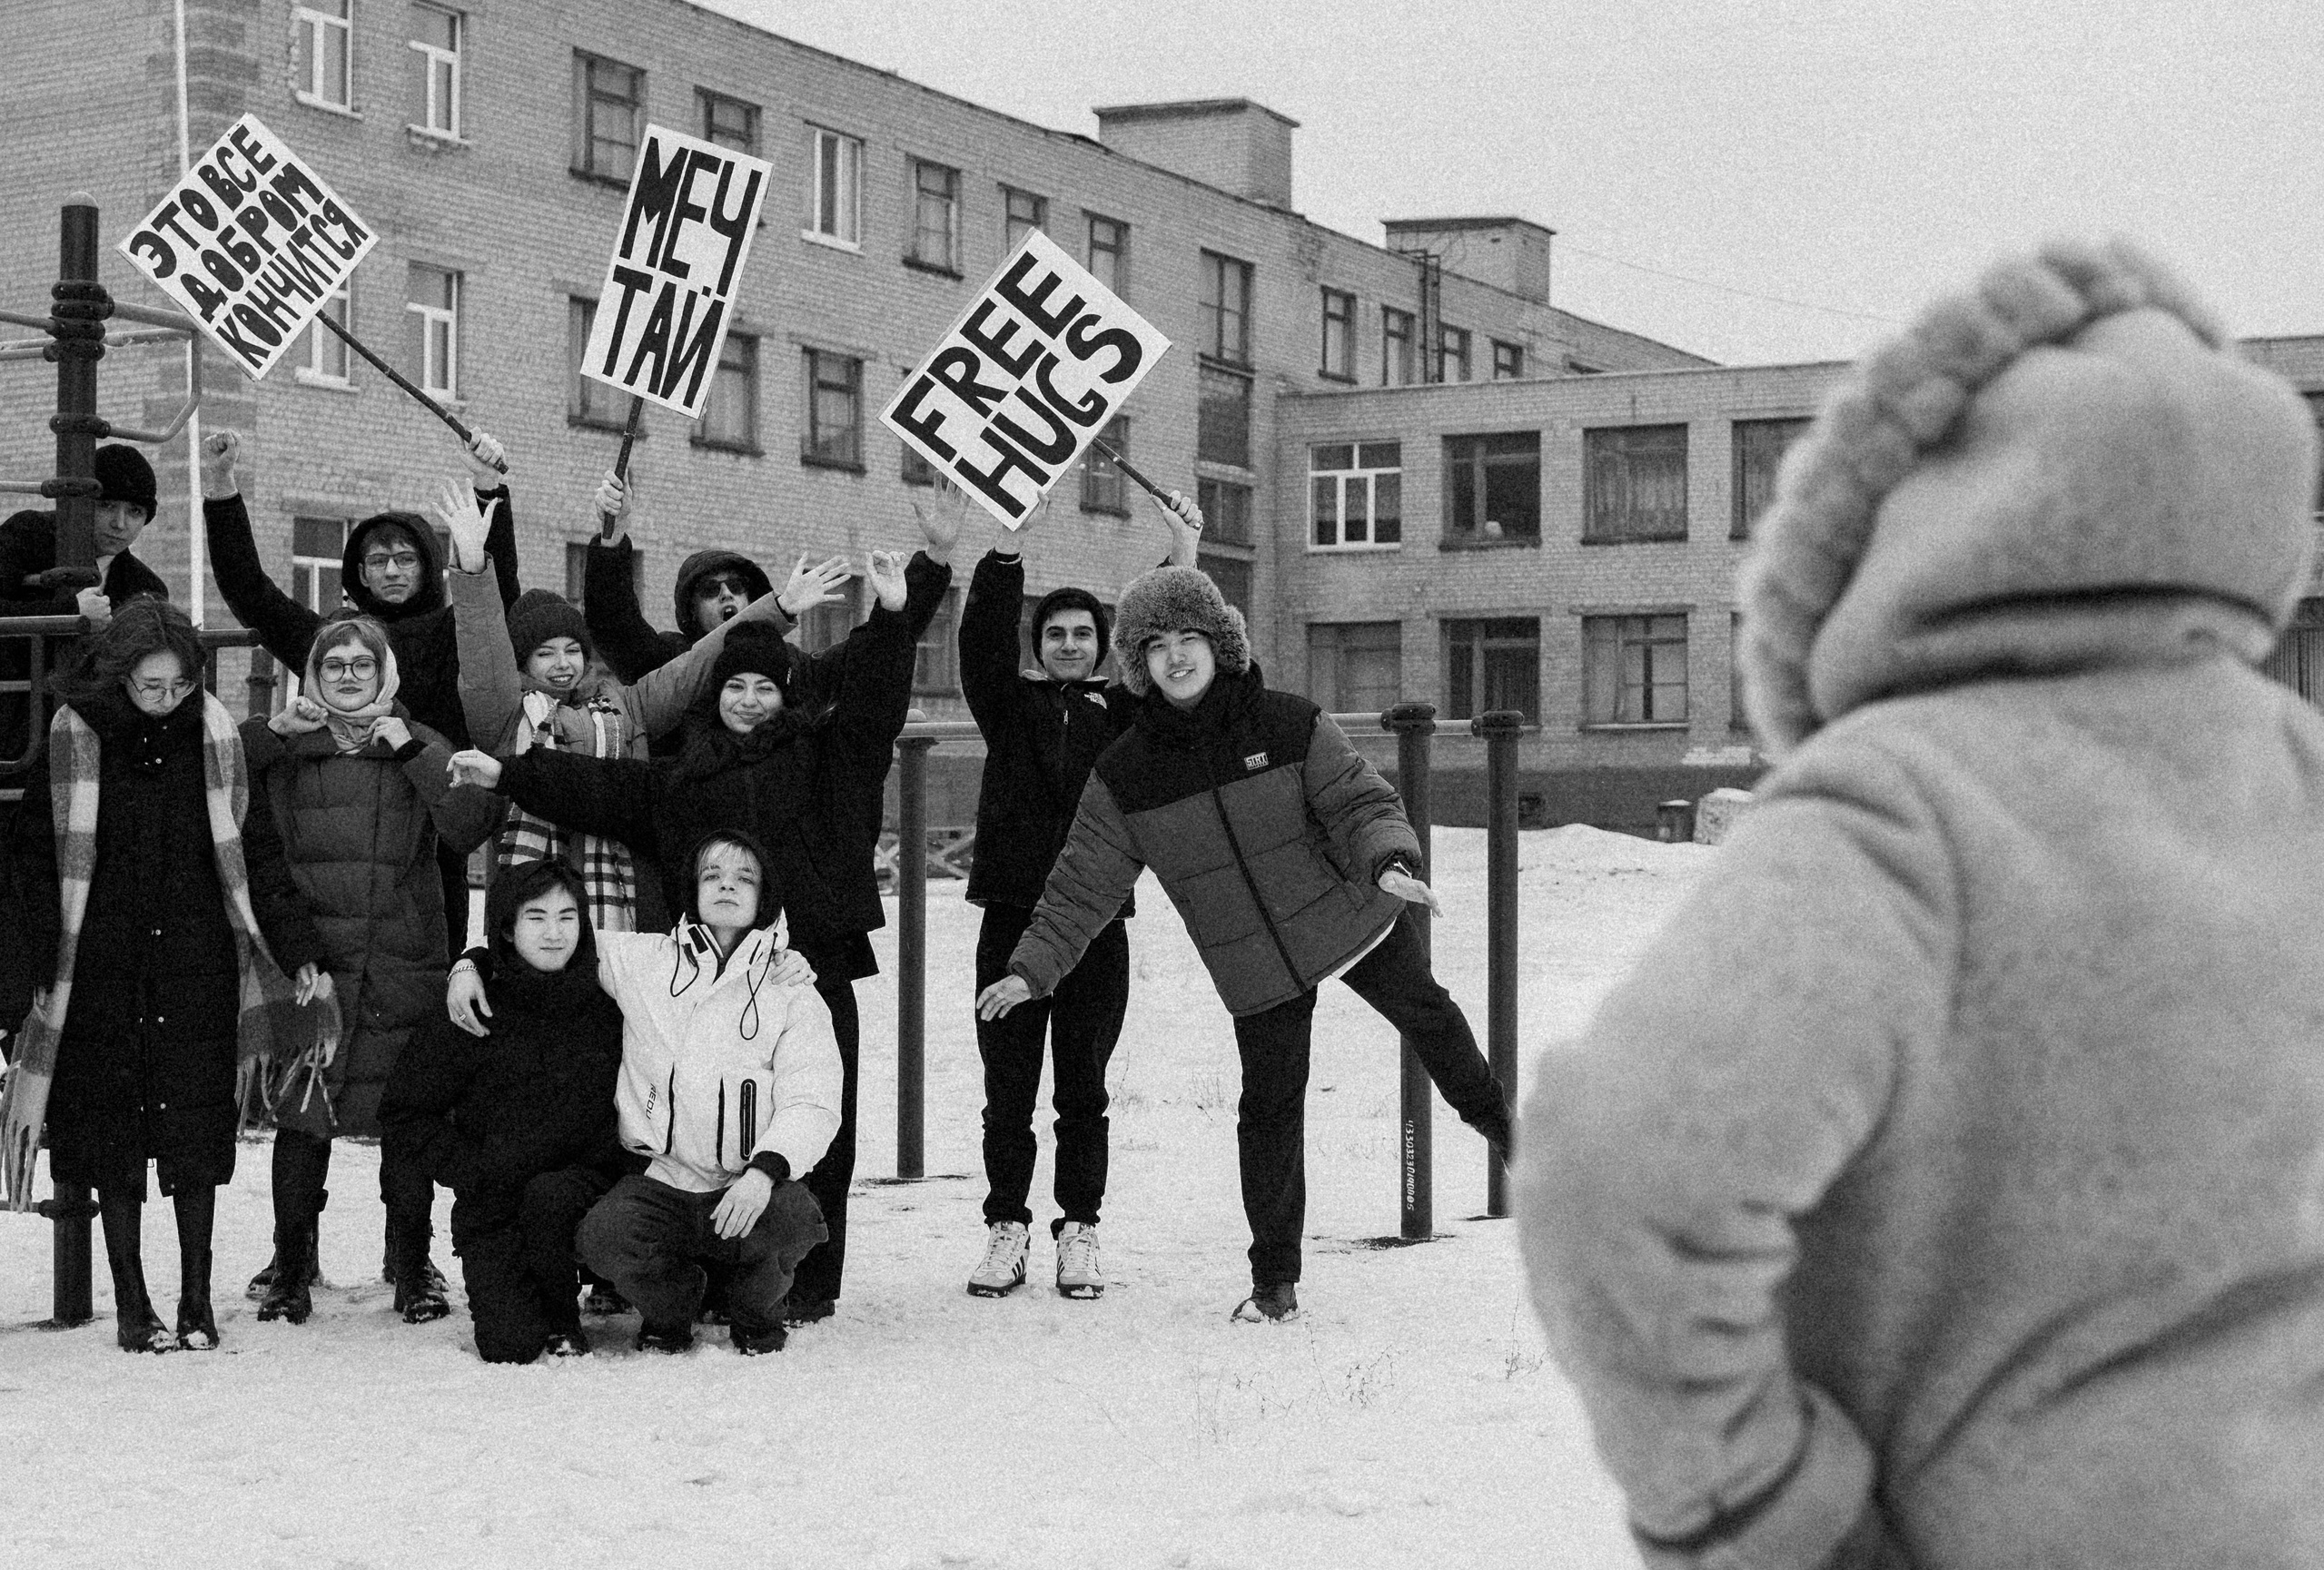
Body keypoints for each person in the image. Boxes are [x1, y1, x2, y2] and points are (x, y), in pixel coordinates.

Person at [1516, 241, 2324, 1570]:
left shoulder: (1901, 804)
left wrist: (1759, 1513)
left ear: (1894, 521)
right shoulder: (2294, 772)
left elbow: (1618, 1170)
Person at [447, 503, 956, 1324]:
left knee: (815, 1110)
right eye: (735, 687)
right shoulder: (684, 777)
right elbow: (598, 787)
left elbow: (872, 702)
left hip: (810, 958)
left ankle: (806, 1282)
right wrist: (508, 773)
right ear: (714, 697)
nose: (749, 701)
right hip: (706, 971)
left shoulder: (828, 757)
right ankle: (700, 1268)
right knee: (701, 1119)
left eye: (764, 687)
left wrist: (905, 604)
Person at [978, 563, 1513, 1324]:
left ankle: (1506, 1134)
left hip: (1347, 913)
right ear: (1138, 663)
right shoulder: (1127, 770)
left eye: (1189, 637)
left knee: (1429, 1014)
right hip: (1255, 963)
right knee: (1267, 1107)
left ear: (1219, 643)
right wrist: (1032, 969)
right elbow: (1081, 884)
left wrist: (1390, 861)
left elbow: (1358, 801)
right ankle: (1274, 1283)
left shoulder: (1288, 721)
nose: (1175, 656)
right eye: (1155, 645)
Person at [0, 600, 332, 1351]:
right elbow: (33, 860)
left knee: (194, 1135)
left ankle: (195, 1300)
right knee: (112, 1136)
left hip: (195, 961)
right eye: (151, 686)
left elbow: (256, 851)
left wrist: (295, 942)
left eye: (180, 685)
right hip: (102, 965)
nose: (167, 699)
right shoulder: (72, 737)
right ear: (119, 677)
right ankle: (132, 1304)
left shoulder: (214, 735)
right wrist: (38, 962)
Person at [447, 831, 836, 1354]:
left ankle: (754, 1311)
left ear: (764, 895)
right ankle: (674, 1307)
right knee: (604, 1236)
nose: (727, 888)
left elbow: (812, 1100)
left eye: (744, 878)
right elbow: (553, 939)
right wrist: (469, 964)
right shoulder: (644, 961)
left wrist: (764, 1173)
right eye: (712, 876)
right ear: (691, 890)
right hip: (661, 1178)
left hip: (746, 1183)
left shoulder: (791, 989)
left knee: (796, 1220)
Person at [956, 487, 1198, 1299]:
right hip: (1009, 921)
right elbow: (981, 645)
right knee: (1007, 1089)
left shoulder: (1121, 713)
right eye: (1054, 633)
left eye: (1081, 634)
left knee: (1082, 1090)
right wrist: (1004, 551)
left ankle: (1079, 1228)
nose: (1066, 644)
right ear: (1038, 643)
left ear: (1101, 646)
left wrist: (1182, 557)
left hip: (1097, 926)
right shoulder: (1009, 706)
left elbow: (1162, 647)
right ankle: (1005, 1228)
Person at [437, 472, 845, 934]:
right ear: (523, 661)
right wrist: (472, 569)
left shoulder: (626, 705)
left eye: (572, 650)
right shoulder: (506, 713)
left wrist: (779, 607)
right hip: (534, 894)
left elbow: (696, 663)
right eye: (545, 653)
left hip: (624, 899)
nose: (562, 663)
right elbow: (481, 648)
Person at [242, 614, 501, 1326]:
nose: (349, 675)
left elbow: (468, 823)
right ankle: (291, 1264)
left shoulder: (418, 740)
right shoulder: (290, 748)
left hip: (404, 961)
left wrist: (412, 748)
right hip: (314, 962)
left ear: (385, 673)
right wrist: (271, 735)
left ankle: (411, 1263)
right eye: (334, 665)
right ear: (313, 677)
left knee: (407, 1121)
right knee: (304, 1119)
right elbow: (214, 774)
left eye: (363, 663)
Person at [198, 426, 518, 960]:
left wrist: (490, 492)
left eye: (406, 558)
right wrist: (221, 485)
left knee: (431, 973)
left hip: (430, 839)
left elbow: (494, 597)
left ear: (427, 567)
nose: (392, 569)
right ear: (360, 574)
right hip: (339, 842)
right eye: (377, 560)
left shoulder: (453, 631)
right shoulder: (334, 640)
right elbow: (251, 592)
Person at [378, 859, 627, 1362]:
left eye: (567, 916)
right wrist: (472, 1168)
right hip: (498, 1203)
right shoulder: (473, 1005)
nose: (554, 933)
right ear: (508, 931)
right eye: (536, 918)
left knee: (553, 1197)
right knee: (508, 1345)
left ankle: (579, 1301)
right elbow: (405, 1112)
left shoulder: (611, 1003)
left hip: (584, 1197)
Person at [0, 443, 171, 770]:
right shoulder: (27, 535)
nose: (120, 524)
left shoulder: (145, 588)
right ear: (80, 502)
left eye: (135, 512)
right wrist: (66, 615)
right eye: (106, 506)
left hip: (92, 747)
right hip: (13, 733)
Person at [579, 466, 782, 689]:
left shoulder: (784, 661)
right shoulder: (670, 661)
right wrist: (614, 532)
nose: (726, 594)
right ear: (692, 610)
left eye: (736, 585)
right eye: (709, 590)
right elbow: (613, 625)